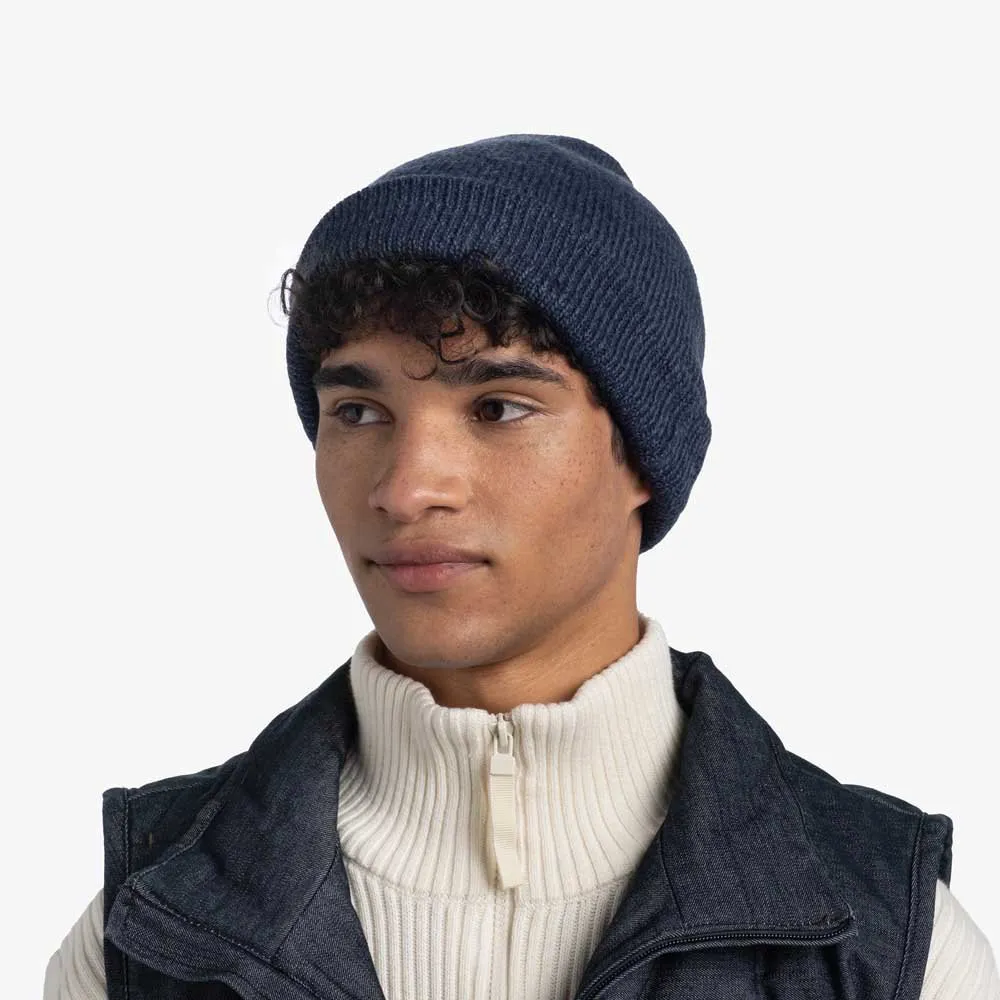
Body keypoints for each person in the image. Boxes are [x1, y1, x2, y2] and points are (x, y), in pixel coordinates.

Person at [44, 135, 999, 1000]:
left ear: (642, 458)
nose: (407, 489)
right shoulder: (145, 935)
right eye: (359, 413)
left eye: (498, 407)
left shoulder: (892, 946)